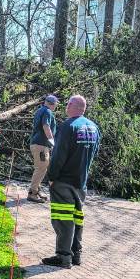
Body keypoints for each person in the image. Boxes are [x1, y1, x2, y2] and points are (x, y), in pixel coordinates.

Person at [42, 95, 100, 269]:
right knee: (77, 218)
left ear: (74, 106)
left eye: (68, 103)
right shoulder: (94, 127)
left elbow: (58, 155)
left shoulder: (68, 127)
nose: (66, 106)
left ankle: (63, 256)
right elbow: (94, 152)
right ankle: (76, 254)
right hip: (81, 182)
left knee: (63, 219)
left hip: (63, 181)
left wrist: (51, 177)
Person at [28, 95, 59, 203]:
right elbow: (46, 126)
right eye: (56, 104)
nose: (56, 106)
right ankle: (32, 193)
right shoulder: (47, 112)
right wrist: (52, 141)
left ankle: (37, 190)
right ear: (52, 103)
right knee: (41, 168)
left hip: (37, 144)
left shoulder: (40, 110)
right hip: (41, 144)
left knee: (42, 167)